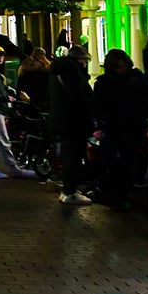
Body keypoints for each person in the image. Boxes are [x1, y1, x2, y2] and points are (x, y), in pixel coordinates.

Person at [91, 48, 148, 210]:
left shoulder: (135, 78)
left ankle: (122, 194)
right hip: (115, 127)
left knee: (130, 159)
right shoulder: (105, 83)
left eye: (124, 66)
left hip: (135, 125)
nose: (122, 70)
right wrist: (98, 126)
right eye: (118, 67)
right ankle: (117, 195)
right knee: (117, 162)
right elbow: (98, 107)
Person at [47, 45, 95, 205]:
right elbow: (79, 97)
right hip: (74, 121)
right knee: (74, 155)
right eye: (84, 60)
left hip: (62, 120)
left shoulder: (58, 70)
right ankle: (70, 190)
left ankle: (68, 189)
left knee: (68, 154)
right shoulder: (72, 72)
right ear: (78, 59)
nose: (85, 64)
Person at [0, 46, 35, 179]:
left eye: (1, 56)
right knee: (3, 139)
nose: (0, 58)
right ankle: (13, 167)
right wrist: (5, 97)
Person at [15, 47, 52, 112]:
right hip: (42, 106)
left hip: (26, 105)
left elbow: (19, 89)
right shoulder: (47, 70)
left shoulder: (24, 69)